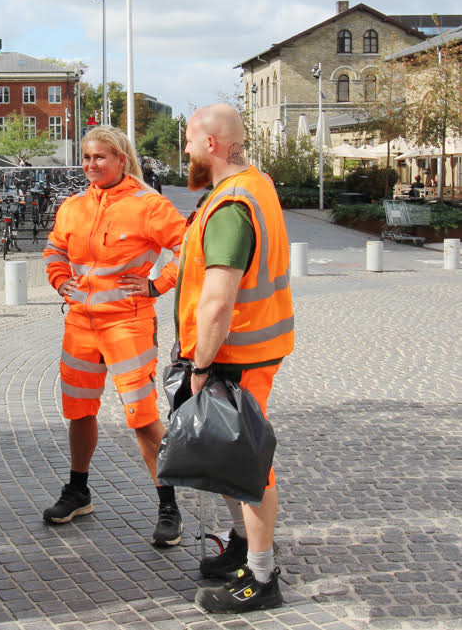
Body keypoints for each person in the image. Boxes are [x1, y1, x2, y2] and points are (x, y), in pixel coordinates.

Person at [42, 126, 189, 547]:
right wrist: (58, 279)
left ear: (121, 159)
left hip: (128, 324)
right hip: (80, 326)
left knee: (142, 417)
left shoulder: (148, 205)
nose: (91, 165)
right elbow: (54, 248)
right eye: (87, 157)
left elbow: (190, 247)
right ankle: (78, 491)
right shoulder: (72, 206)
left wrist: (157, 285)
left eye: (100, 157)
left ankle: (168, 505)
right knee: (79, 410)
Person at [175, 103, 294, 613]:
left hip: (234, 356)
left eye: (188, 140)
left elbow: (219, 301)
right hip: (250, 350)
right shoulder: (254, 184)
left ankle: (263, 579)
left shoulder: (230, 206)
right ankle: (245, 548)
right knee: (230, 456)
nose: (183, 150)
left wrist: (199, 368)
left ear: (212, 144)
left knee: (247, 465)